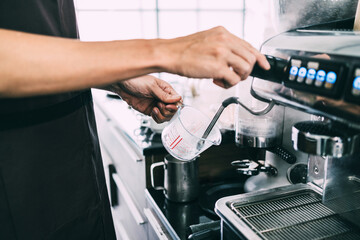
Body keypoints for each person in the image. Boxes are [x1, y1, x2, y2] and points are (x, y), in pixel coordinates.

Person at [0, 0, 270, 239]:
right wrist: (168, 51)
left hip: (71, 168)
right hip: (18, 175)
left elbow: (46, 45)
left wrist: (117, 81)